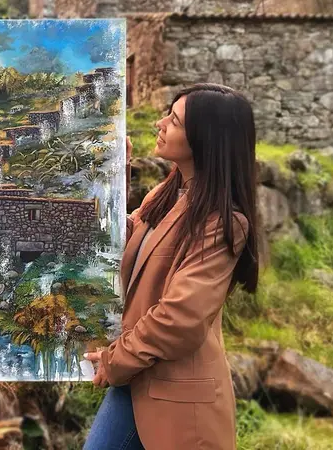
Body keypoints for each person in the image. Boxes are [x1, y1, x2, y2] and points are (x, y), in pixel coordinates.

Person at [82, 83, 260, 450]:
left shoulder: (223, 223)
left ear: (204, 139)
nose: (160, 123)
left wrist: (116, 360)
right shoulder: (165, 195)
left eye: (174, 120)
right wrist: (111, 173)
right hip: (138, 378)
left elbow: (181, 317)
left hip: (175, 395)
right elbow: (115, 240)